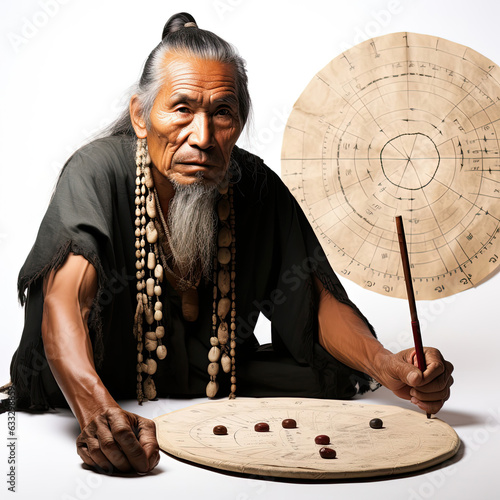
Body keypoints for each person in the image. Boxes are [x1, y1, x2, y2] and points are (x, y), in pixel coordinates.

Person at [2, 13, 453, 475]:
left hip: (213, 379)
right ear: (141, 116)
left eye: (222, 113)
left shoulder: (253, 183)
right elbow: (64, 302)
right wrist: (96, 410)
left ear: (238, 122)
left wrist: (387, 365)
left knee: (331, 374)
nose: (202, 138)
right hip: (105, 378)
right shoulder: (96, 172)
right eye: (181, 109)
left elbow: (315, 302)